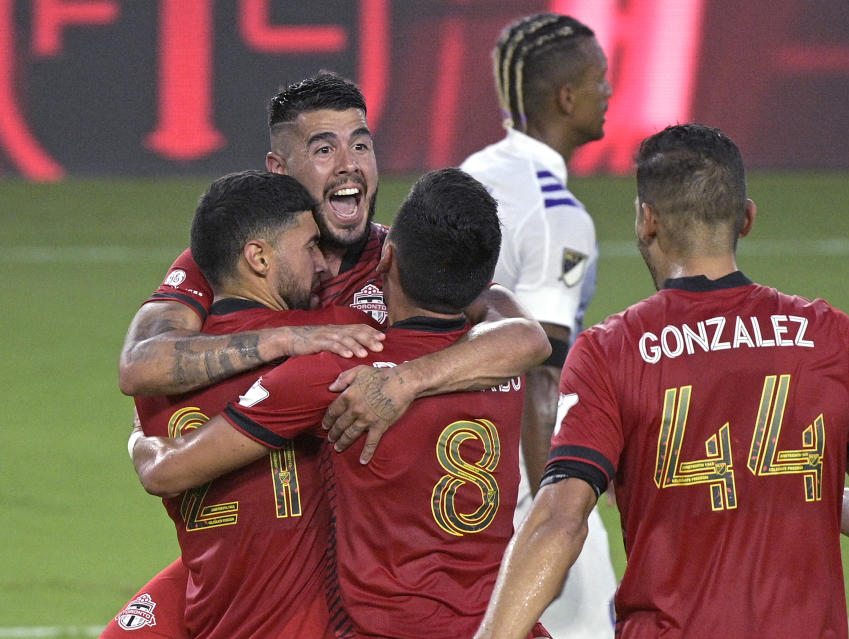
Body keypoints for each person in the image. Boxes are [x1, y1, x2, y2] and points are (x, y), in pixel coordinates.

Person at [103, 72, 549, 638]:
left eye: (360, 144)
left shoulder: (403, 262)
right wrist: (286, 338)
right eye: (323, 148)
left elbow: (523, 335)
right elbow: (140, 363)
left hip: (358, 562)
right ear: (279, 171)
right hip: (244, 557)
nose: (348, 164)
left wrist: (406, 381)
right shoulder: (225, 259)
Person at [472, 123, 849, 639]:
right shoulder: (829, 337)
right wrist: (804, 486)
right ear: (748, 218)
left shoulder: (612, 350)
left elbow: (559, 521)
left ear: (647, 221)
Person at [124, 169, 379, 638]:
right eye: (309, 247)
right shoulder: (336, 337)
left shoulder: (156, 381)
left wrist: (140, 445)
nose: (323, 264)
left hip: (213, 616)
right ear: (258, 258)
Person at [459, 13, 616, 638]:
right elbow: (544, 372)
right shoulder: (556, 215)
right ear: (567, 97)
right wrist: (552, 503)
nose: (611, 91)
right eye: (601, 80)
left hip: (456, 458)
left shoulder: (475, 171)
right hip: (525, 470)